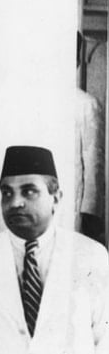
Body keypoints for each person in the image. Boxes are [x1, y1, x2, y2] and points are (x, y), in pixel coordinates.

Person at [0, 146, 109, 353]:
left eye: (29, 191)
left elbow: (105, 337)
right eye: (7, 193)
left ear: (55, 198)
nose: (15, 202)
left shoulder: (90, 255)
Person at [75, 31, 104, 241]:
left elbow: (93, 161)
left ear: (76, 61)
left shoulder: (85, 104)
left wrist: (91, 210)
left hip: (73, 202)